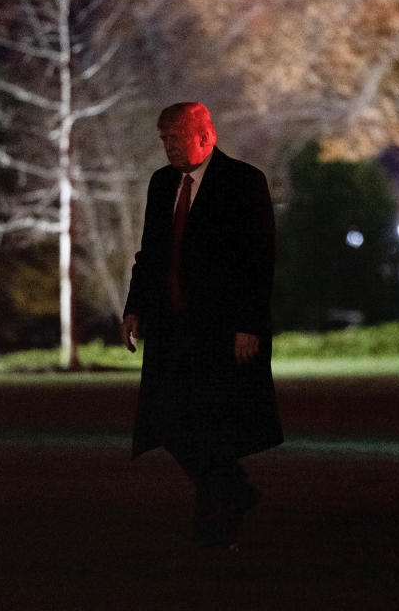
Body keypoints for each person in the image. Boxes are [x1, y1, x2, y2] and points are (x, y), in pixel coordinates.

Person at [121, 102, 283, 552]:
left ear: (204, 135)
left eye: (175, 136)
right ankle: (233, 496)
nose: (169, 146)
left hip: (220, 331)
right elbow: (150, 254)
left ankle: (216, 530)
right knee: (172, 424)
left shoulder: (243, 181)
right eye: (164, 139)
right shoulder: (162, 184)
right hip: (173, 330)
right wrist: (134, 308)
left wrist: (248, 325)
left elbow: (258, 259)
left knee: (212, 430)